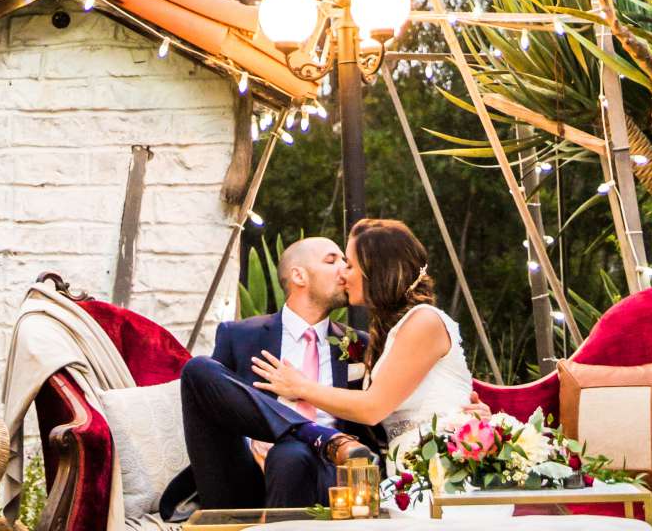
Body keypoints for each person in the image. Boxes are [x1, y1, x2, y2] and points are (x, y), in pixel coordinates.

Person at [176, 235, 369, 513]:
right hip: (243, 474)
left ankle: (310, 438)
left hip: (322, 478)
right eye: (332, 260)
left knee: (290, 454)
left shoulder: (358, 345)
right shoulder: (239, 335)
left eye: (345, 262)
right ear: (299, 275)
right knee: (197, 369)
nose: (344, 268)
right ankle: (313, 433)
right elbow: (216, 412)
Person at [251, 218, 476, 445]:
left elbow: (372, 408)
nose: (343, 274)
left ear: (375, 269)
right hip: (405, 466)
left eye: (349, 264)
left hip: (443, 460)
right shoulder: (385, 334)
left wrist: (300, 386)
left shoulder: (424, 321)